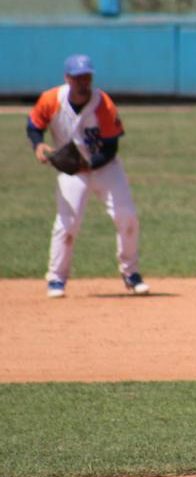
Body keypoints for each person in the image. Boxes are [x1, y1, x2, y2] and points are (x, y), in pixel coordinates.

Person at [27, 54, 150, 298]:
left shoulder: (102, 103)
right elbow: (34, 125)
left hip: (105, 166)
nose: (83, 82)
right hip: (72, 170)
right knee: (67, 224)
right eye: (78, 77)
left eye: (87, 77)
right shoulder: (51, 99)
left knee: (127, 217)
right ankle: (56, 279)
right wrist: (38, 145)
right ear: (67, 78)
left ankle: (131, 273)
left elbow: (111, 146)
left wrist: (90, 164)